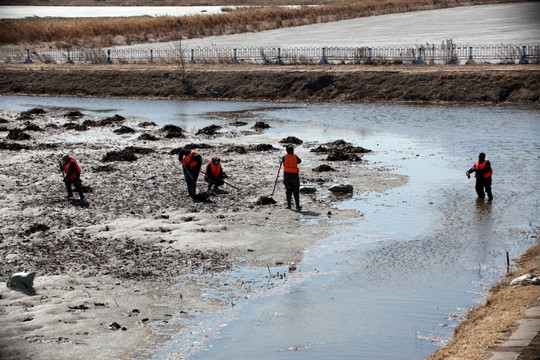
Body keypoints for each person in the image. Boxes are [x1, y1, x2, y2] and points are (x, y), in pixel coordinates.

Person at [282, 145, 302, 210]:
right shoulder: (295, 157)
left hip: (287, 176)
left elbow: (282, 162)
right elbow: (299, 161)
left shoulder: (284, 157)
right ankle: (297, 205)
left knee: (288, 191)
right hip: (294, 176)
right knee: (296, 191)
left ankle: (289, 206)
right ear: (292, 151)